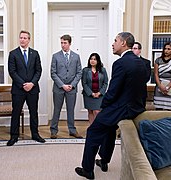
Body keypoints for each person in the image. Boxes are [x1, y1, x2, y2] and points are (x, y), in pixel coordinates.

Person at [75, 32, 148, 179]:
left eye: (115, 40)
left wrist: (103, 106)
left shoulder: (120, 63)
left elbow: (113, 91)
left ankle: (87, 169)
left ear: (124, 43)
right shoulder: (141, 62)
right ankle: (104, 160)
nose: (113, 44)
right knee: (108, 129)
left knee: (93, 131)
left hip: (122, 108)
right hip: (137, 107)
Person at [7, 30, 45, 146]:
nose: (22, 40)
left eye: (25, 38)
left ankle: (35, 134)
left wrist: (32, 84)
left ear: (29, 40)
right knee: (16, 113)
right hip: (18, 89)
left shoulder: (35, 53)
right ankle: (14, 136)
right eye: (21, 37)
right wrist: (23, 84)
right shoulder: (13, 54)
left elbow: (38, 70)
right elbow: (12, 72)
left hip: (33, 89)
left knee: (34, 113)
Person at [50, 34, 83, 139]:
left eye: (65, 43)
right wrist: (62, 85)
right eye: (61, 43)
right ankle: (53, 131)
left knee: (70, 110)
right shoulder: (55, 56)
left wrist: (72, 85)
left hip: (71, 89)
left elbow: (79, 72)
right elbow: (53, 73)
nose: (63, 45)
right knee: (57, 109)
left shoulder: (76, 56)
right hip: (59, 88)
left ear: (70, 43)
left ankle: (72, 130)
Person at [153, 41, 171, 110]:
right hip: (159, 86)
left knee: (170, 109)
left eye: (169, 49)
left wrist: (167, 87)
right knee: (158, 109)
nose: (166, 51)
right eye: (165, 49)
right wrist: (160, 86)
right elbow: (156, 74)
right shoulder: (158, 60)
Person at [82, 53, 108, 125]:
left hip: (99, 95)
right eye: (91, 59)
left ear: (98, 61)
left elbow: (105, 83)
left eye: (94, 59)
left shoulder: (103, 70)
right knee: (90, 111)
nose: (92, 61)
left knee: (97, 111)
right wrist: (91, 93)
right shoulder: (85, 70)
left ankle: (97, 129)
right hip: (88, 95)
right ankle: (91, 128)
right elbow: (84, 83)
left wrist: (100, 93)